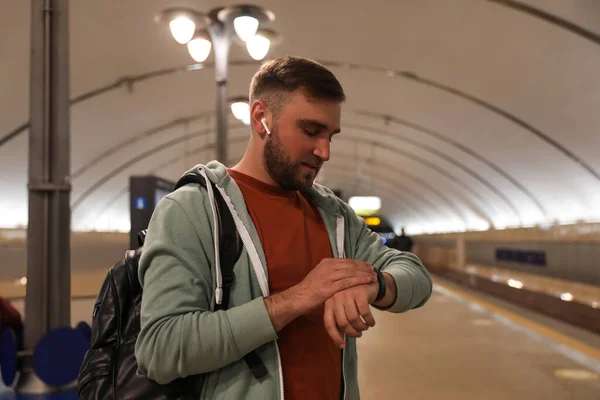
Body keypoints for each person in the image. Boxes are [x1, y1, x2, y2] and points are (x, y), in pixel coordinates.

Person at [135, 56, 432, 400]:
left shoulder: (332, 214)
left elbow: (416, 276)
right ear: (262, 118)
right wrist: (299, 298)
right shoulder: (193, 210)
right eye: (311, 131)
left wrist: (375, 284)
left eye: (331, 136)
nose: (325, 151)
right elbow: (161, 349)